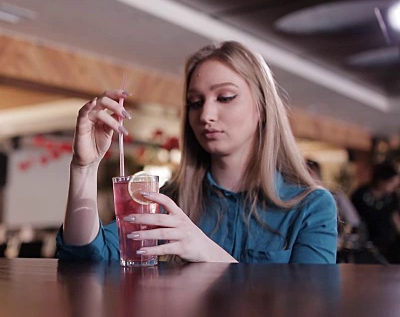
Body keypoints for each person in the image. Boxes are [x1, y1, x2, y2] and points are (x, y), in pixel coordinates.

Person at [56, 41, 337, 263]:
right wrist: (84, 167)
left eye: (225, 97)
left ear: (262, 108)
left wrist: (209, 254)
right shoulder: (169, 200)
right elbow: (88, 259)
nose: (206, 115)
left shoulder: (310, 207)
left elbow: (310, 304)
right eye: (195, 102)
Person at [351, 162, 400, 263]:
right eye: (391, 182)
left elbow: (395, 218)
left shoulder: (392, 198)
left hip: (387, 245)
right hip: (364, 244)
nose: (394, 186)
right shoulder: (360, 194)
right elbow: (352, 218)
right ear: (381, 180)